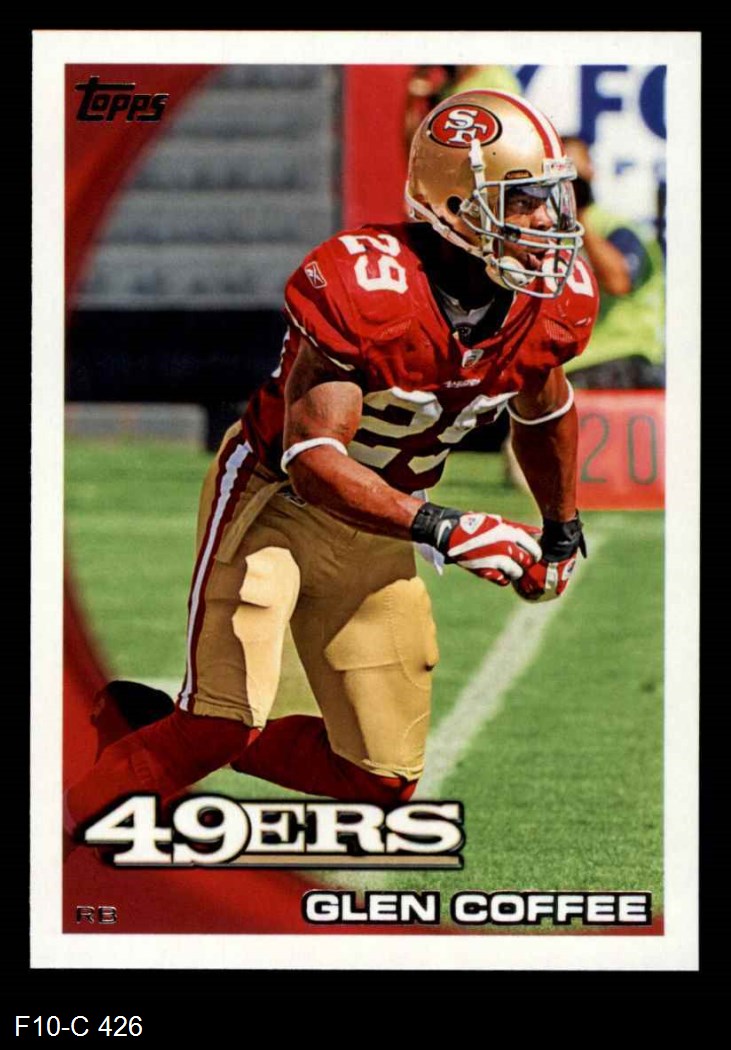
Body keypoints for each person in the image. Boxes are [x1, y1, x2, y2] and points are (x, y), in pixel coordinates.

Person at [64, 89, 599, 841]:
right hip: (276, 503)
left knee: (379, 781)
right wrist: (445, 528)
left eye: (550, 198)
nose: (547, 222)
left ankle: (147, 727)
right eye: (524, 201)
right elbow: (312, 460)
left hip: (382, 520)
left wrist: (561, 529)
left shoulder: (553, 301)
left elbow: (543, 406)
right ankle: (59, 837)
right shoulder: (367, 287)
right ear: (454, 205)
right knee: (217, 724)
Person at [561, 136, 665, 389]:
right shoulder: (543, 231)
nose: (566, 186)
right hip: (570, 366)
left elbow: (619, 281)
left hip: (622, 356)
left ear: (590, 171)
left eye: (573, 175)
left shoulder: (616, 227)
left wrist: (579, 218)